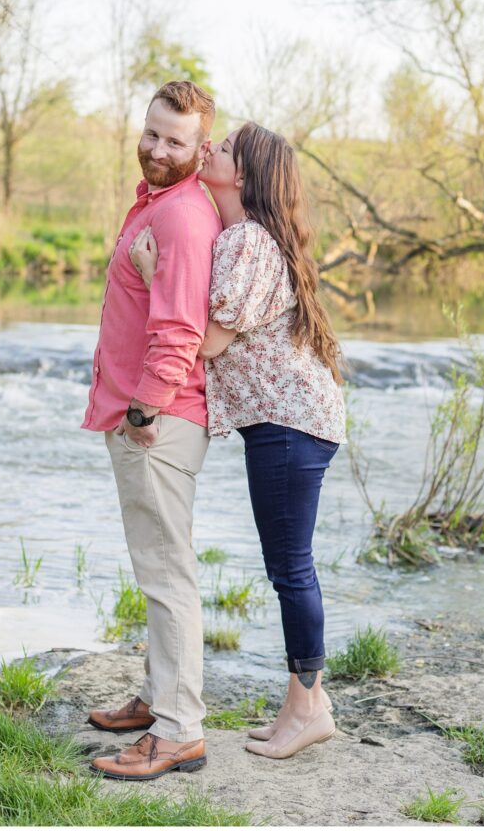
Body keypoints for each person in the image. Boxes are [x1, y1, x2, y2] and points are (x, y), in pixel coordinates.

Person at [130, 122, 346, 760]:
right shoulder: (242, 237)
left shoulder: (248, 241)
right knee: (290, 566)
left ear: (243, 176)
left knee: (290, 569)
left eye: (220, 149)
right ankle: (307, 704)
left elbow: (210, 343)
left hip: (289, 425)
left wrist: (152, 276)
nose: (208, 151)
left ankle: (307, 707)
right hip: (288, 423)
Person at [82, 80, 222, 781]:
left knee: (168, 578)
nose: (158, 148)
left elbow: (179, 331)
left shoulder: (182, 219)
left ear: (200, 150)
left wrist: (143, 409)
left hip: (157, 422)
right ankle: (158, 698)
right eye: (152, 132)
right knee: (156, 570)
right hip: (141, 415)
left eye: (175, 140)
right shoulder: (153, 204)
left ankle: (177, 733)